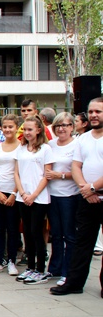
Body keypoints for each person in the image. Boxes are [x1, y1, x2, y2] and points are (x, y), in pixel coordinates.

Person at [51, 98, 103, 296]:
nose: (93, 115)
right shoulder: (84, 139)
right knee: (82, 242)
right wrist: (86, 189)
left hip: (96, 193)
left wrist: (92, 187)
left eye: (98, 111)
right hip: (87, 198)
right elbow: (76, 166)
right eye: (91, 112)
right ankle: (74, 283)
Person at [13, 116, 54, 285]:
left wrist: (34, 195)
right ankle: (30, 267)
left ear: (38, 130)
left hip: (39, 198)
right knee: (27, 233)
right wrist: (22, 193)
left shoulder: (45, 149)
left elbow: (47, 175)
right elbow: (16, 173)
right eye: (25, 129)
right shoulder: (21, 149)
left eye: (30, 129)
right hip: (23, 197)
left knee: (37, 232)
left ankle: (40, 269)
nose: (27, 133)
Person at [45, 112, 79, 286]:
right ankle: (55, 268)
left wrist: (61, 175)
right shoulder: (50, 145)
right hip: (52, 196)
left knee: (69, 235)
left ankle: (68, 271)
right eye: (58, 125)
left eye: (65, 125)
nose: (62, 129)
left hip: (70, 196)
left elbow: (80, 171)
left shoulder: (77, 145)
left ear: (72, 127)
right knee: (56, 234)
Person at [0, 115, 21, 275]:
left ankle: (12, 260)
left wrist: (14, 193)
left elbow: (21, 173)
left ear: (16, 128)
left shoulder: (22, 147)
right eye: (5, 127)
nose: (7, 130)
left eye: (10, 127)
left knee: (13, 228)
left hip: (14, 192)